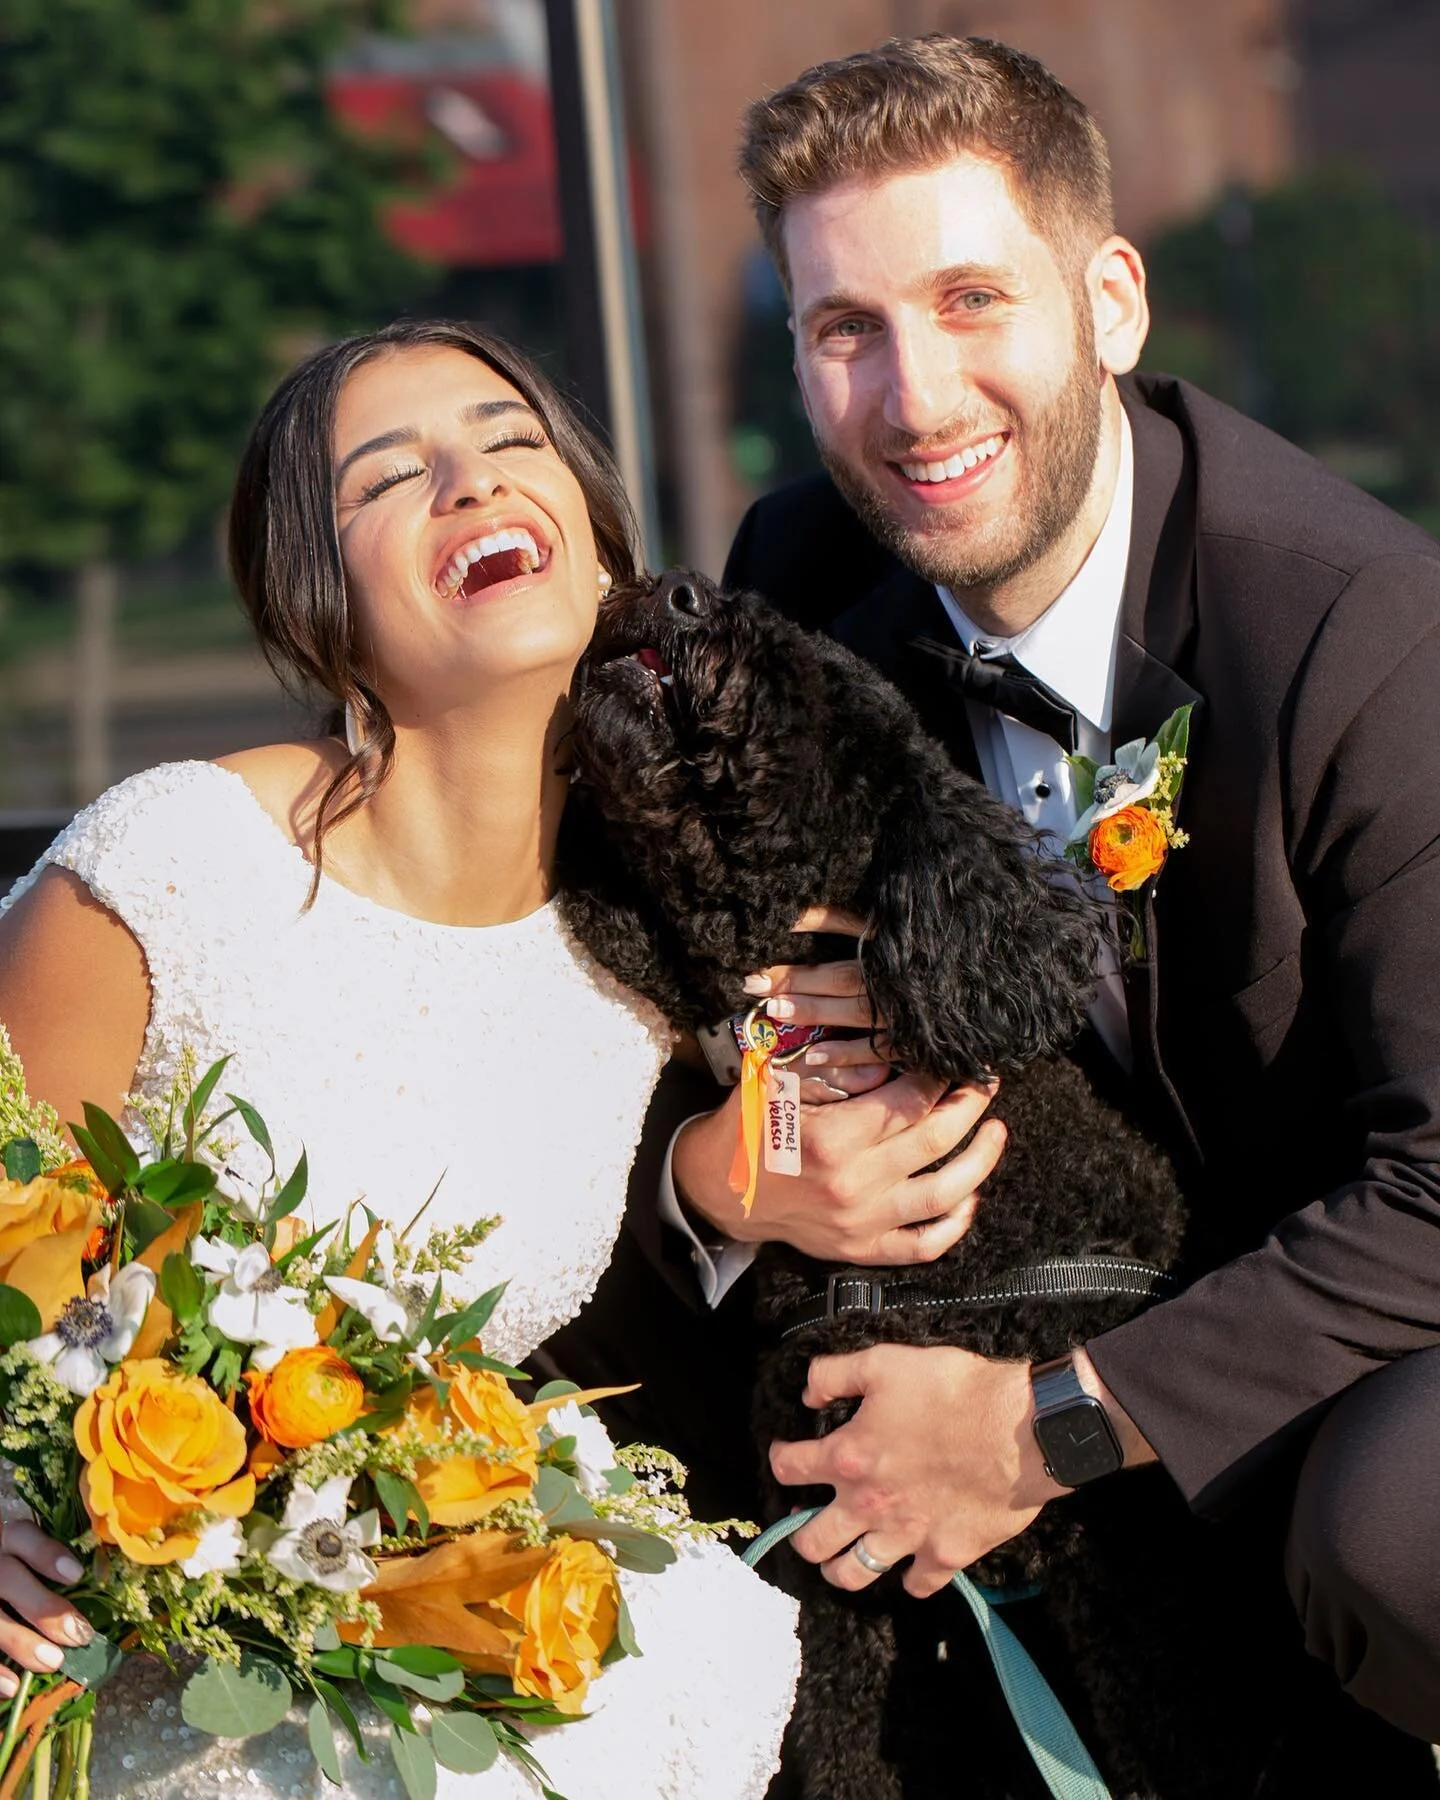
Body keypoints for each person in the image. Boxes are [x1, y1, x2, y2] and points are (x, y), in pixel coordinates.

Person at [552, 30, 1440, 1774]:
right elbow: (713, 989)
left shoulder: (1363, 631)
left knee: (1396, 1534)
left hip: (1353, 1336)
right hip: (1019, 1308)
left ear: (1110, 302)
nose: (916, 397)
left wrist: (1044, 1429)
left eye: (972, 301)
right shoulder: (797, 580)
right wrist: (737, 1181)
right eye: (846, 331)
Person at [0, 319, 799, 1799]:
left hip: (407, 1653)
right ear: (322, 608)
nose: (472, 483)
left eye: (510, 442)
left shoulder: (637, 955)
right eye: (393, 475)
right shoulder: (176, 867)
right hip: (121, 1663)